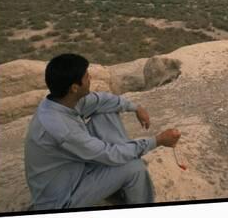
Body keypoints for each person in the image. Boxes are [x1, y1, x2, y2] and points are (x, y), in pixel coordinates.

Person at [24, 53, 181, 210]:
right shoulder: (62, 129)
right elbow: (109, 153)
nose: (90, 78)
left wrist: (136, 107)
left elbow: (102, 101)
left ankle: (119, 179)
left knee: (106, 111)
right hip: (63, 199)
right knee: (135, 167)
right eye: (86, 77)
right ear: (74, 87)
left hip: (75, 168)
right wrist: (157, 140)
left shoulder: (60, 101)